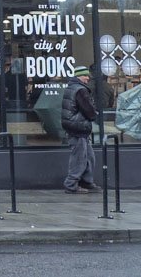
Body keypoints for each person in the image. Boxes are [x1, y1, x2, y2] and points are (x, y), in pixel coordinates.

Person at [61, 65, 98, 194]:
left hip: (75, 127)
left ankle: (86, 181)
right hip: (79, 127)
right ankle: (71, 184)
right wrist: (94, 115)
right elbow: (88, 109)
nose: (88, 78)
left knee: (88, 156)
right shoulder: (80, 90)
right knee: (80, 158)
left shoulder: (71, 87)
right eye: (85, 75)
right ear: (79, 76)